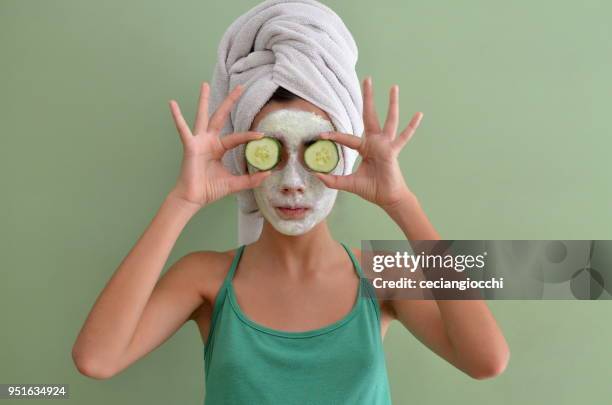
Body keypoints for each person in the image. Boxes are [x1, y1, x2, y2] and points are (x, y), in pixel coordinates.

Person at [72, 1, 509, 403]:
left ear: (344, 158)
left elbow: (486, 361)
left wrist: (401, 202)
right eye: (271, 151)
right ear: (244, 160)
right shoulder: (205, 276)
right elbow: (97, 360)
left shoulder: (384, 275)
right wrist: (182, 200)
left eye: (315, 150)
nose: (294, 183)